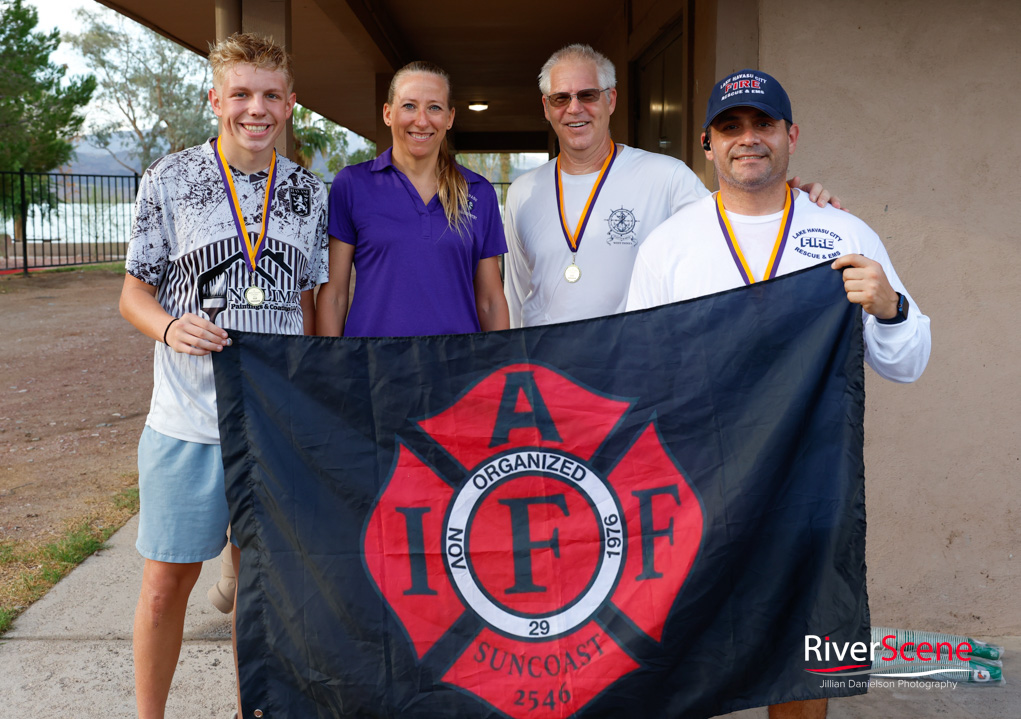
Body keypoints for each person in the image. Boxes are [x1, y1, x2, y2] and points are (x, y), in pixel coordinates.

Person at [627, 69, 931, 718]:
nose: (748, 139)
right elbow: (637, 377)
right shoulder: (668, 245)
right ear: (706, 145)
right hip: (699, 494)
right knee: (683, 663)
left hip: (808, 493)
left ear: (790, 135)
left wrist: (890, 305)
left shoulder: (843, 235)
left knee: (803, 664)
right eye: (730, 127)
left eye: (763, 124)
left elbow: (908, 364)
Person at [119, 33, 328, 718]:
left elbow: (309, 303)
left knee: (261, 591)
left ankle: (252, 709)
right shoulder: (170, 179)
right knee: (164, 585)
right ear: (216, 99)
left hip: (273, 425)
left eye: (270, 95)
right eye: (241, 94)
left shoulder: (307, 191)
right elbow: (133, 294)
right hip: (188, 422)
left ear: (291, 103)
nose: (256, 108)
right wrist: (170, 326)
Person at [503, 44, 838, 328]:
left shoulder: (666, 176)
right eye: (560, 98)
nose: (574, 108)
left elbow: (731, 232)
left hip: (629, 374)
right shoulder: (523, 191)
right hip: (545, 373)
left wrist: (793, 204)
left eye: (587, 95)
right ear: (547, 109)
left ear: (611, 100)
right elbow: (516, 296)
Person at [316, 61, 508, 337]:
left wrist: (497, 371)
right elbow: (334, 295)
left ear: (450, 118)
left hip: (458, 369)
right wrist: (331, 370)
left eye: (434, 107)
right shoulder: (352, 185)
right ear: (388, 113)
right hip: (372, 369)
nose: (421, 120)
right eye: (409, 106)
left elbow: (490, 301)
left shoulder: (478, 191)